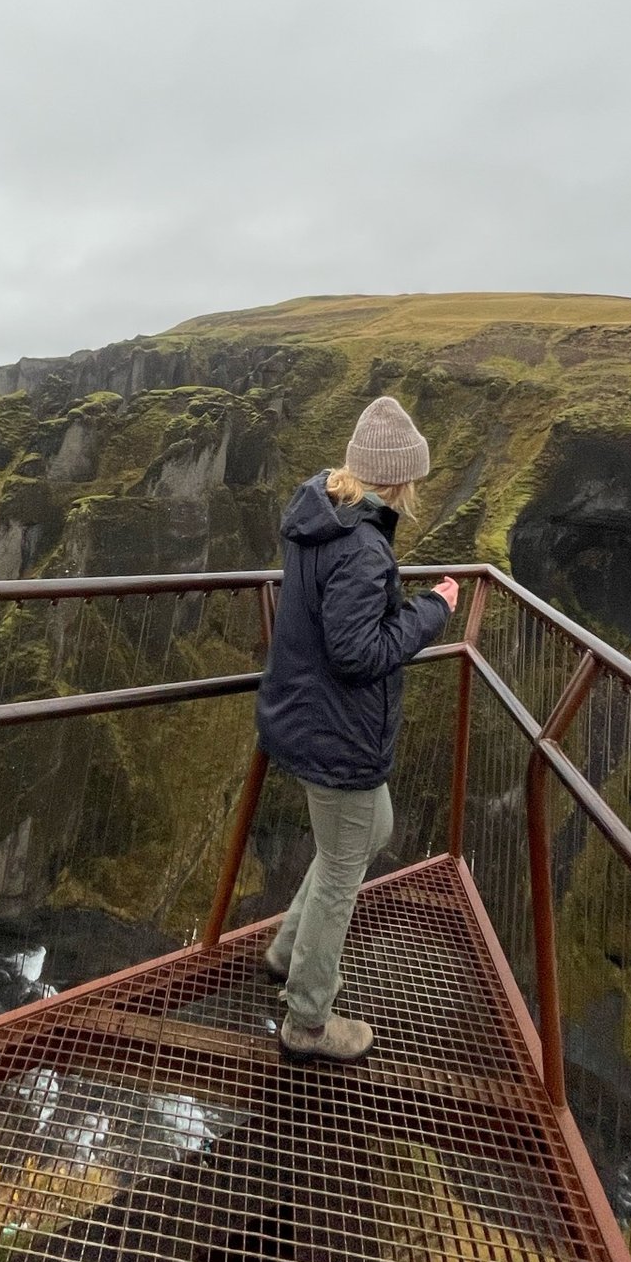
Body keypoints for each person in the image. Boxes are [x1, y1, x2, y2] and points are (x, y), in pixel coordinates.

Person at [256, 395, 460, 1064]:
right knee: (344, 868)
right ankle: (308, 1022)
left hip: (305, 715)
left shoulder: (321, 512)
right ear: (399, 477)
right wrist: (432, 611)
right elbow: (358, 653)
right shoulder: (365, 547)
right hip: (339, 733)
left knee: (368, 833)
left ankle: (288, 950)